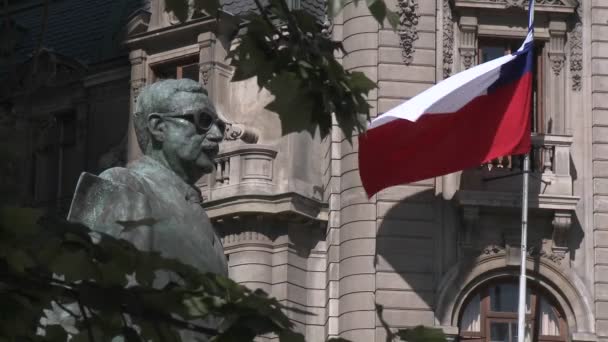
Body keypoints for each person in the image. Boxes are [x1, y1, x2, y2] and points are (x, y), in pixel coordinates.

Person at [67, 79, 228, 338]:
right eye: (203, 121)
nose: (217, 135)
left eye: (220, 125)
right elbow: (78, 292)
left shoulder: (209, 229)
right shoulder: (120, 185)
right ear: (158, 127)